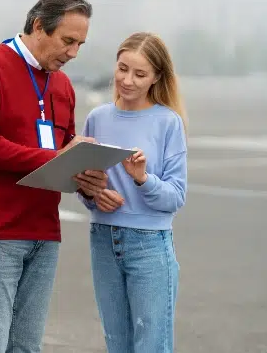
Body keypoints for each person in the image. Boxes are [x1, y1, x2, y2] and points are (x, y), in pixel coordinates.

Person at [0, 0, 108, 352]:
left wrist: (88, 180)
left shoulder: (64, 85)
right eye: (67, 41)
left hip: (43, 232)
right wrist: (55, 158)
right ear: (39, 26)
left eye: (80, 44)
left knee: (26, 348)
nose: (73, 53)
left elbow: (66, 154)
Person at [77, 32, 188, 353]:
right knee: (118, 344)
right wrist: (93, 195)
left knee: (151, 345)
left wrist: (142, 179)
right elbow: (85, 182)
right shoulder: (97, 118)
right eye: (122, 68)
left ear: (156, 78)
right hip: (103, 240)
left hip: (149, 246)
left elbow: (175, 197)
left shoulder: (168, 123)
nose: (127, 80)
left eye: (140, 74)